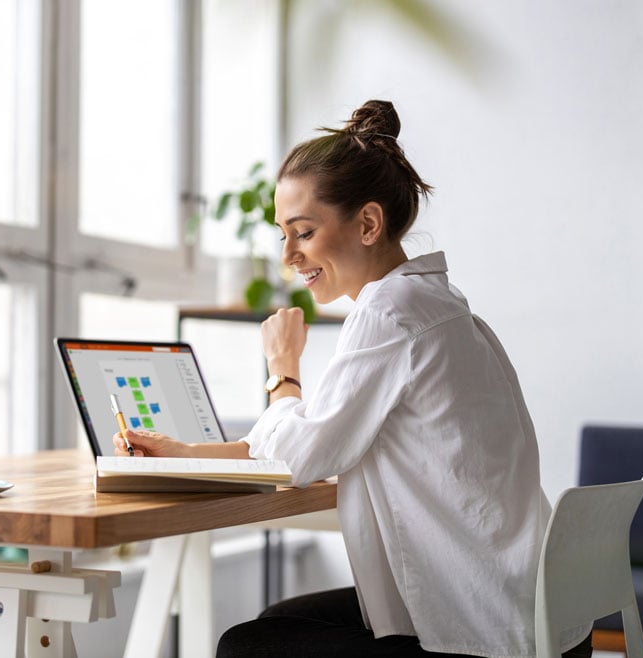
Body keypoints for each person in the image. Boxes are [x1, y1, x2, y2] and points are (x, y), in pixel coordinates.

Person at [113, 100, 592, 657]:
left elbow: (301, 458)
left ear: (367, 223)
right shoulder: (434, 303)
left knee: (249, 646)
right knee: (277, 622)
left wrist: (281, 370)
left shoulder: (390, 313)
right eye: (282, 235)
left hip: (484, 631)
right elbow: (316, 438)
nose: (289, 254)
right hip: (531, 612)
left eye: (303, 232)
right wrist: (186, 453)